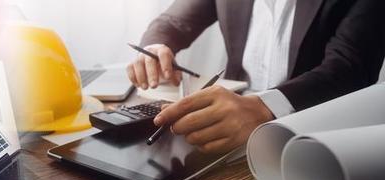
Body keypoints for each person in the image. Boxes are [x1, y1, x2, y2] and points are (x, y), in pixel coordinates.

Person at [127, 0, 385, 153]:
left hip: (310, 138)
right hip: (223, 126)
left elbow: (349, 67)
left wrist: (263, 107)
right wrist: (155, 46)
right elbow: (173, 21)